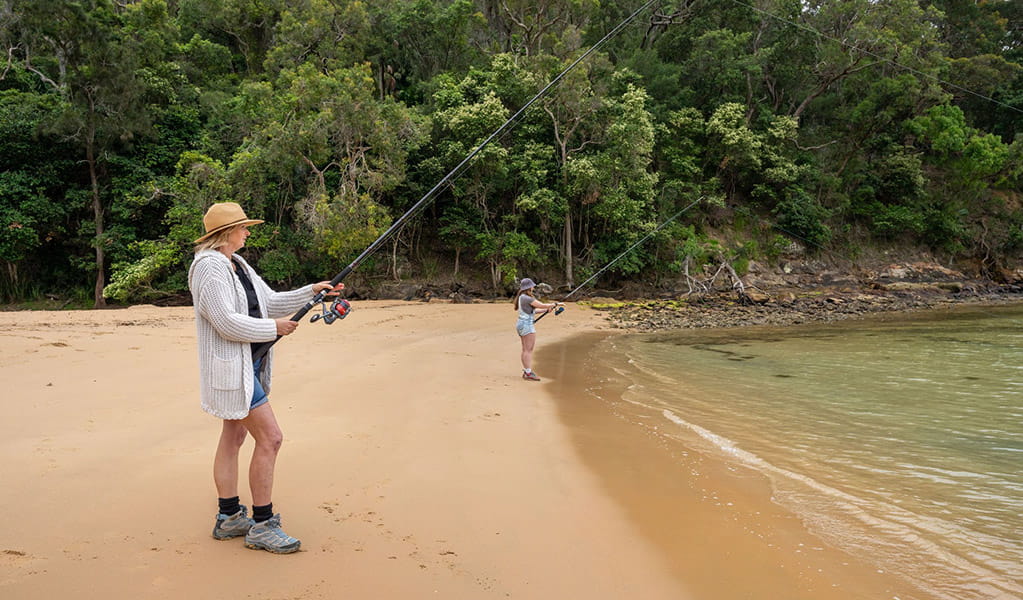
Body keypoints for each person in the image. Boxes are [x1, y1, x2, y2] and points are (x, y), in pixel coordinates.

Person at [188, 202, 341, 554]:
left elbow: (269, 301)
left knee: (234, 435)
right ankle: (262, 524)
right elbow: (224, 321)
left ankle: (229, 518)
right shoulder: (209, 268)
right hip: (232, 368)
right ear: (226, 233)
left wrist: (311, 292)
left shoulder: (236, 263)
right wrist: (275, 328)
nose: (247, 232)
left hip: (248, 363)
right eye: (243, 227)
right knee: (271, 438)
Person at [513, 277, 563, 382]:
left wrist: (546, 310)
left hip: (521, 324)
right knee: (528, 350)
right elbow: (541, 304)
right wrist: (556, 304)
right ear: (529, 287)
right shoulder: (527, 298)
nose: (533, 287)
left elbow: (533, 311)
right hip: (526, 325)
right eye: (532, 286)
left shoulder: (522, 297)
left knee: (525, 349)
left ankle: (527, 371)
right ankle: (528, 373)